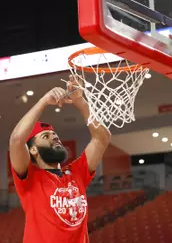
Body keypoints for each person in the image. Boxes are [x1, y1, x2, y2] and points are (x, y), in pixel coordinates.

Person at [9, 75, 111, 243]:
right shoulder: (30, 178)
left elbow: (102, 139)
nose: (55, 137)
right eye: (46, 136)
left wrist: (79, 101)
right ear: (32, 149)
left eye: (55, 134)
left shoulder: (76, 173)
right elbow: (16, 140)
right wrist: (43, 102)